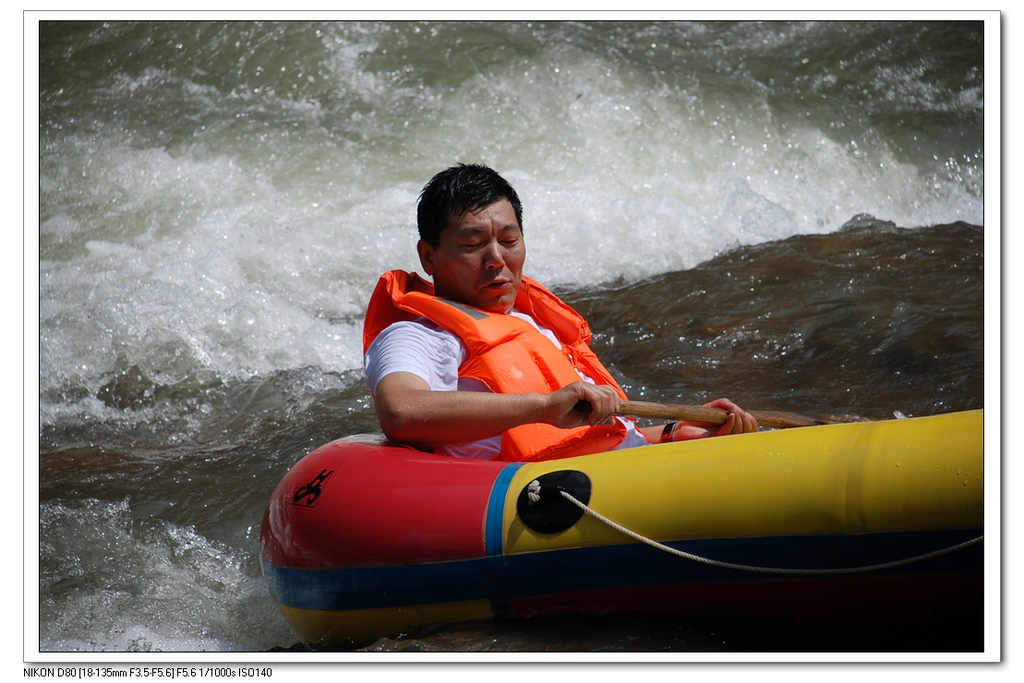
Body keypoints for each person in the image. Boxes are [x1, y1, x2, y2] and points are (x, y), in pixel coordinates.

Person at [363, 163, 757, 461]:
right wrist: (545, 407)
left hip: (605, 474)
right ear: (428, 256)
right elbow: (402, 410)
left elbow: (600, 440)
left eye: (508, 239)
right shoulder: (416, 336)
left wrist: (678, 429)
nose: (496, 259)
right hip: (535, 499)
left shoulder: (533, 325)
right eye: (472, 244)